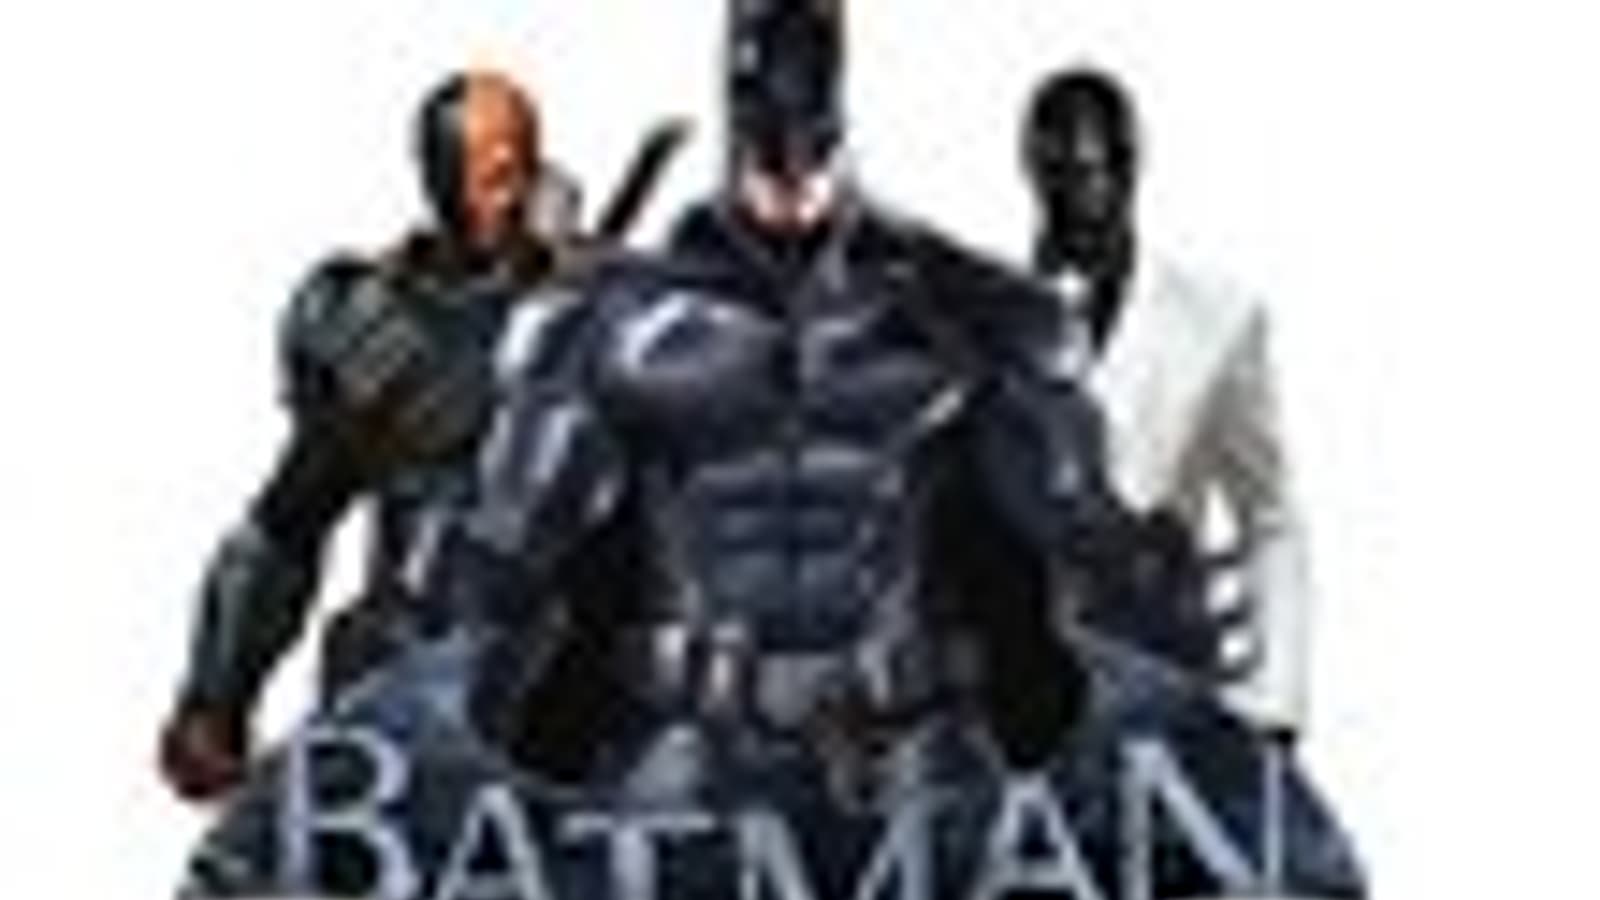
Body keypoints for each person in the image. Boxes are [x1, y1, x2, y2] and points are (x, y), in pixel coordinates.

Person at [158, 69, 567, 803]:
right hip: (405, 689)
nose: (519, 196)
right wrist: (215, 703)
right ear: (444, 183)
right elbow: (287, 527)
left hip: (563, 698)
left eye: (528, 167)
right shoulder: (381, 325)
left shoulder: (600, 317)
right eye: (498, 176)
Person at [1024, 66, 1317, 734]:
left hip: (1160, 660)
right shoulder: (985, 314)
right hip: (1020, 684)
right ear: (1033, 176)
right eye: (1060, 173)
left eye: (1099, 170)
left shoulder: (1215, 319)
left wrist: (1277, 701)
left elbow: (1269, 514)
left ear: (1132, 166)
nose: (1084, 194)